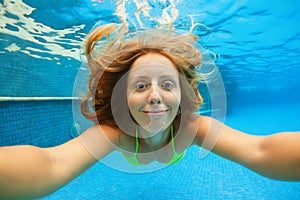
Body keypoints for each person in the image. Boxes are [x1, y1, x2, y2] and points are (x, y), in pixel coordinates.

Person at [0, 23, 299, 199]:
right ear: (123, 98)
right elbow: (51, 162)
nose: (155, 96)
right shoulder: (115, 134)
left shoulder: (192, 127)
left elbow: (260, 149)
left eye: (167, 85)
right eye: (141, 86)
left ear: (181, 96)